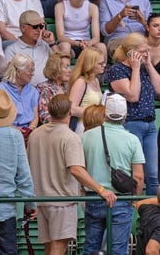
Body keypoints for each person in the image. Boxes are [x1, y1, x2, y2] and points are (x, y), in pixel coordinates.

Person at [27, 93, 115, 255]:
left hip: (40, 199)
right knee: (58, 248)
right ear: (70, 113)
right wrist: (101, 189)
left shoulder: (35, 135)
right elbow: (76, 169)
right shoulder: (70, 137)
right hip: (62, 200)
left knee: (49, 248)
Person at [79, 94, 144, 255]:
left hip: (94, 196)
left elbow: (81, 169)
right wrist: (133, 198)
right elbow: (138, 177)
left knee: (91, 247)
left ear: (105, 113)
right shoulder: (132, 140)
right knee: (118, 250)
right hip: (121, 199)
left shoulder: (85, 137)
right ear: (125, 114)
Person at [107, 33, 160, 197]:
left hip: (150, 125)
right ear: (131, 52)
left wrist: (148, 65)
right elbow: (133, 96)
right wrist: (135, 69)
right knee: (135, 173)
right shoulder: (117, 70)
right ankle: (133, 209)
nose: (146, 54)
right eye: (142, 51)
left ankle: (154, 212)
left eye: (147, 50)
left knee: (153, 174)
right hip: (131, 123)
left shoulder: (143, 69)